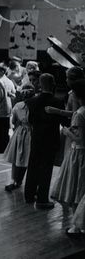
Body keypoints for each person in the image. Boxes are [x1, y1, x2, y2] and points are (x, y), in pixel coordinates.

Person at [24, 73, 66, 209]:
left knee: (33, 166)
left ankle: (29, 195)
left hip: (36, 138)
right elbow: (64, 122)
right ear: (53, 84)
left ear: (40, 85)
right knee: (46, 170)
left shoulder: (31, 101)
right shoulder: (57, 102)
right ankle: (42, 199)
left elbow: (29, 121)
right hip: (50, 139)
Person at [51, 79, 85, 208]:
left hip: (79, 154)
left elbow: (80, 139)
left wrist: (67, 132)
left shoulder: (80, 114)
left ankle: (76, 226)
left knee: (76, 188)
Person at [3, 85, 35, 192]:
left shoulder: (18, 106)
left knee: (22, 158)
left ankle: (17, 180)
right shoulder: (27, 106)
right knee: (21, 157)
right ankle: (17, 180)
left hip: (23, 132)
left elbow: (13, 122)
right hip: (28, 133)